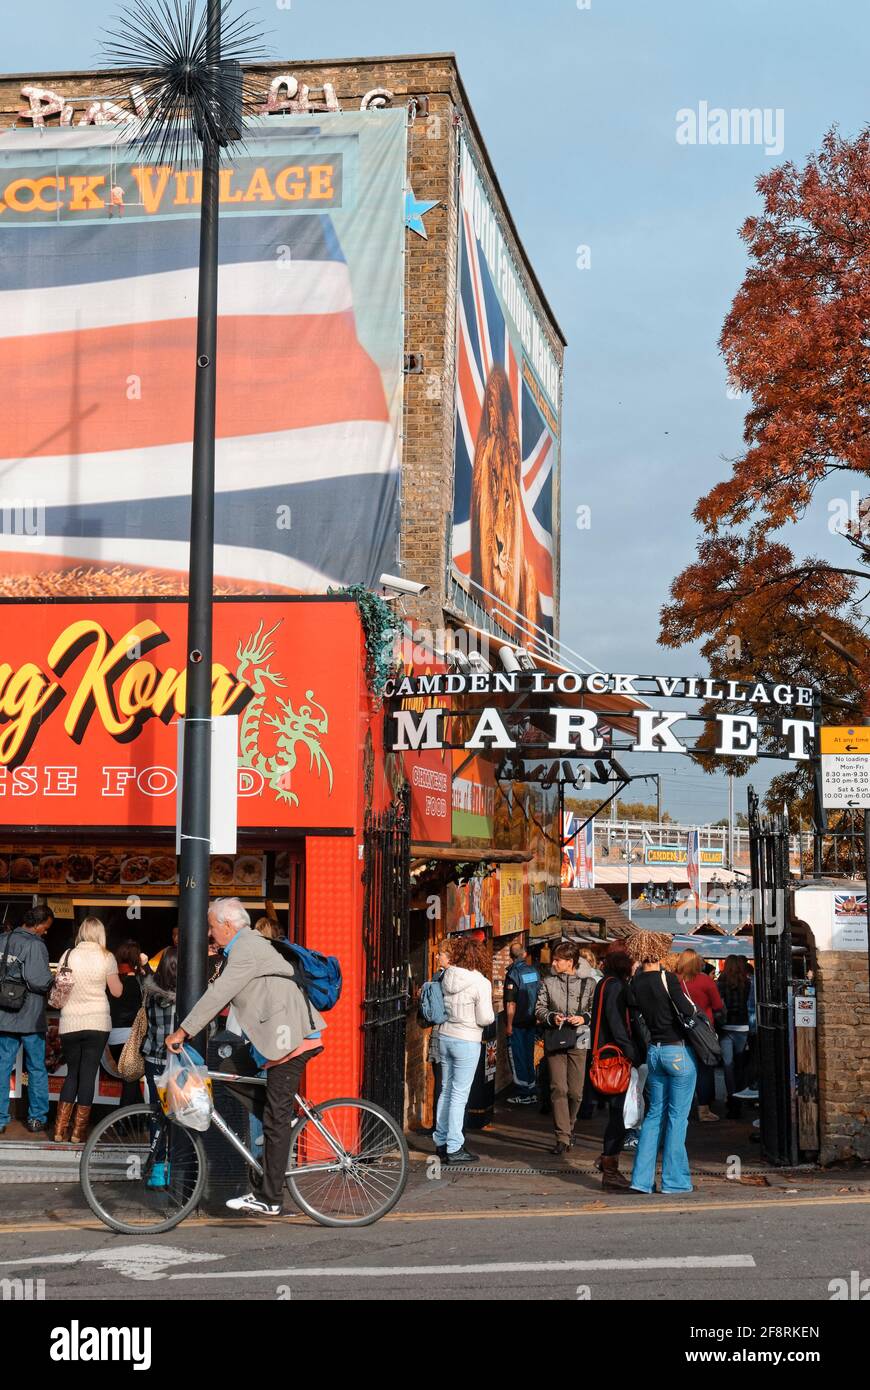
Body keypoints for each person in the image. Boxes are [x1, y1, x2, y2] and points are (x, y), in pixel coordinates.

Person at [164, 897, 325, 1217]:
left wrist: (182, 1032)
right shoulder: (241, 948)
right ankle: (277, 1114)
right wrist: (219, 955)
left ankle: (270, 1198)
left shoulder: (247, 948)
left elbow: (219, 993)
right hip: (273, 1040)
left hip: (290, 1039)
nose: (210, 932)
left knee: (275, 1121)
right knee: (226, 1070)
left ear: (227, 925)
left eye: (212, 926)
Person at [628, 956, 697, 1195]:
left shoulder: (635, 983)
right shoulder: (667, 979)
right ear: (659, 956)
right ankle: (674, 1181)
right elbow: (688, 1010)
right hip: (676, 1051)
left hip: (654, 1052)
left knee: (654, 1115)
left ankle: (641, 1180)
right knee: (677, 1118)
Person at [54, 917, 122, 1144]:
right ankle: (77, 1133)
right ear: (101, 933)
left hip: (70, 1022)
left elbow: (59, 986)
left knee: (72, 1074)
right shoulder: (107, 957)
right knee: (88, 1075)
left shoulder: (68, 955)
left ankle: (58, 1131)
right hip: (97, 1023)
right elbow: (117, 992)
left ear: (82, 932)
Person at [432, 934, 494, 1165]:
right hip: (467, 1039)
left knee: (446, 1090)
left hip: (446, 1036)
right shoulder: (481, 982)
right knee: (459, 1095)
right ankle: (455, 1146)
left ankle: (440, 1140)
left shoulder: (448, 975)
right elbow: (486, 1017)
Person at [535, 942, 595, 1156]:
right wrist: (552, 1017)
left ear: (570, 962)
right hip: (556, 1035)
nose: (553, 963)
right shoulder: (548, 982)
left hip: (581, 1036)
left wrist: (583, 1017)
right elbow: (539, 1008)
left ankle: (569, 1127)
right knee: (558, 1088)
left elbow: (594, 1010)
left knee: (576, 1092)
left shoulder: (589, 984)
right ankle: (562, 1136)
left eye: (557, 959)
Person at [0, 905, 54, 1136]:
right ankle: (36, 1118)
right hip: (30, 1017)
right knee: (36, 1068)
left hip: (4, 1014)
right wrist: (54, 980)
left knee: (2, 1067)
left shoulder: (3, 939)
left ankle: (1, 1119)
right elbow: (39, 981)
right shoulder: (36, 945)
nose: (46, 932)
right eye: (46, 928)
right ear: (39, 924)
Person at [588, 948, 640, 1187]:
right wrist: (631, 1051)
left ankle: (607, 1160)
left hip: (602, 1053)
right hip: (615, 1058)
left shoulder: (603, 983)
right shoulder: (616, 987)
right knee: (620, 1114)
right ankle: (609, 1167)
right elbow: (617, 1023)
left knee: (618, 1113)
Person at [140, 944, 178, 1189]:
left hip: (154, 1059)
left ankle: (157, 1169)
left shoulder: (150, 991)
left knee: (158, 1114)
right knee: (181, 1115)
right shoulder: (191, 996)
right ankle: (176, 1167)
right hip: (179, 1063)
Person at [676, 947, 724, 1123]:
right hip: (703, 1031)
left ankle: (682, 1108)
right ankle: (703, 1109)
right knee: (705, 1069)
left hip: (681, 1029)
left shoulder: (675, 980)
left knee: (683, 1069)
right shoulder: (705, 981)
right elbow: (718, 1005)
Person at [109, 940, 146, 1107]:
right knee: (130, 1080)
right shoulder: (138, 982)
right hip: (131, 1036)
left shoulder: (112, 980)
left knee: (131, 1078)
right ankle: (122, 1123)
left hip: (113, 1037)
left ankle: (138, 1120)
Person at [503, 939, 540, 1105]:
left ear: (511, 957)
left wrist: (509, 1024)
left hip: (517, 1022)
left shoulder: (512, 974)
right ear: (524, 954)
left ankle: (522, 1093)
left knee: (517, 1057)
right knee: (528, 1056)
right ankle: (531, 1089)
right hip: (531, 1021)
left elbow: (511, 1003)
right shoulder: (533, 971)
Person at [719, 955, 754, 1115]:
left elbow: (718, 1005)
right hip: (742, 1025)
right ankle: (741, 1096)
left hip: (726, 1026)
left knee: (728, 1066)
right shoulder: (747, 983)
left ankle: (732, 1099)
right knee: (740, 1064)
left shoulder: (721, 983)